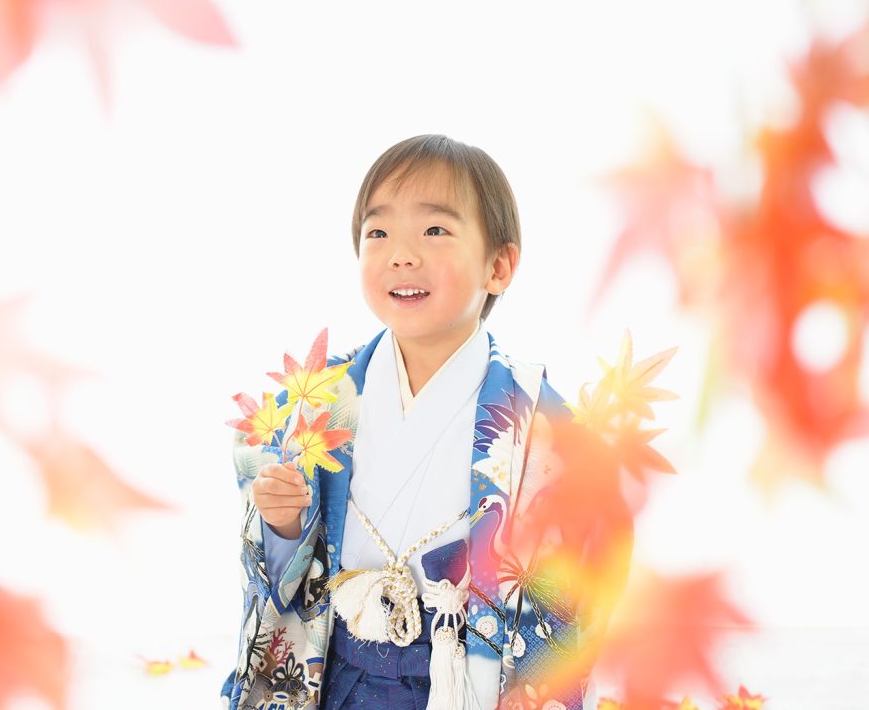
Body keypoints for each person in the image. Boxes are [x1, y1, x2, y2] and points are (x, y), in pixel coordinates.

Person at [221, 134, 625, 710]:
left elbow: (583, 571)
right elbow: (283, 567)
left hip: (460, 682)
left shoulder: (542, 424)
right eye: (378, 233)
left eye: (434, 230)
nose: (401, 254)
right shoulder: (315, 405)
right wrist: (282, 523)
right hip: (341, 680)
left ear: (499, 266)